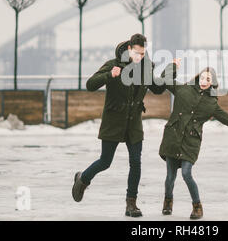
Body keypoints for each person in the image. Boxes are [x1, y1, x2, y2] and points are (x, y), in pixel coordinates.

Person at [71, 33, 174, 217]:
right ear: (129, 49)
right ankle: (82, 179)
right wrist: (110, 76)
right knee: (105, 161)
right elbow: (90, 84)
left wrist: (170, 70)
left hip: (133, 122)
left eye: (142, 54)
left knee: (135, 163)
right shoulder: (114, 64)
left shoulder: (146, 68)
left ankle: (131, 204)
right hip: (114, 120)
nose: (139, 57)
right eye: (136, 53)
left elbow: (157, 89)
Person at [158, 61, 228, 219]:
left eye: (208, 79)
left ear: (212, 82)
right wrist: (173, 66)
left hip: (190, 142)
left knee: (187, 173)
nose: (204, 81)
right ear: (198, 77)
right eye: (202, 77)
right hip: (173, 137)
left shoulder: (211, 104)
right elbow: (165, 79)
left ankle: (197, 207)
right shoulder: (183, 89)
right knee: (170, 177)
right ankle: (168, 201)